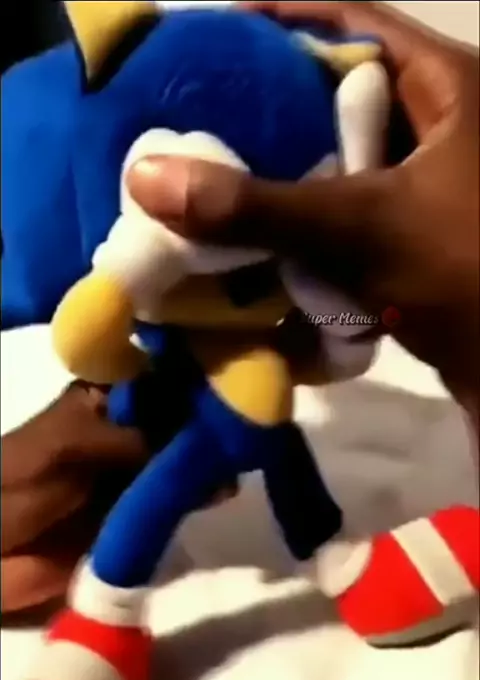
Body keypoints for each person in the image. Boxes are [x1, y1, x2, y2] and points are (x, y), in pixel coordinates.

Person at [2, 0, 478, 616]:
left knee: (229, 467)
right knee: (192, 477)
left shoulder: (305, 285)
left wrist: (368, 321)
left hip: (227, 393)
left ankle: (122, 600)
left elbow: (351, 327)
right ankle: (114, 603)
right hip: (201, 398)